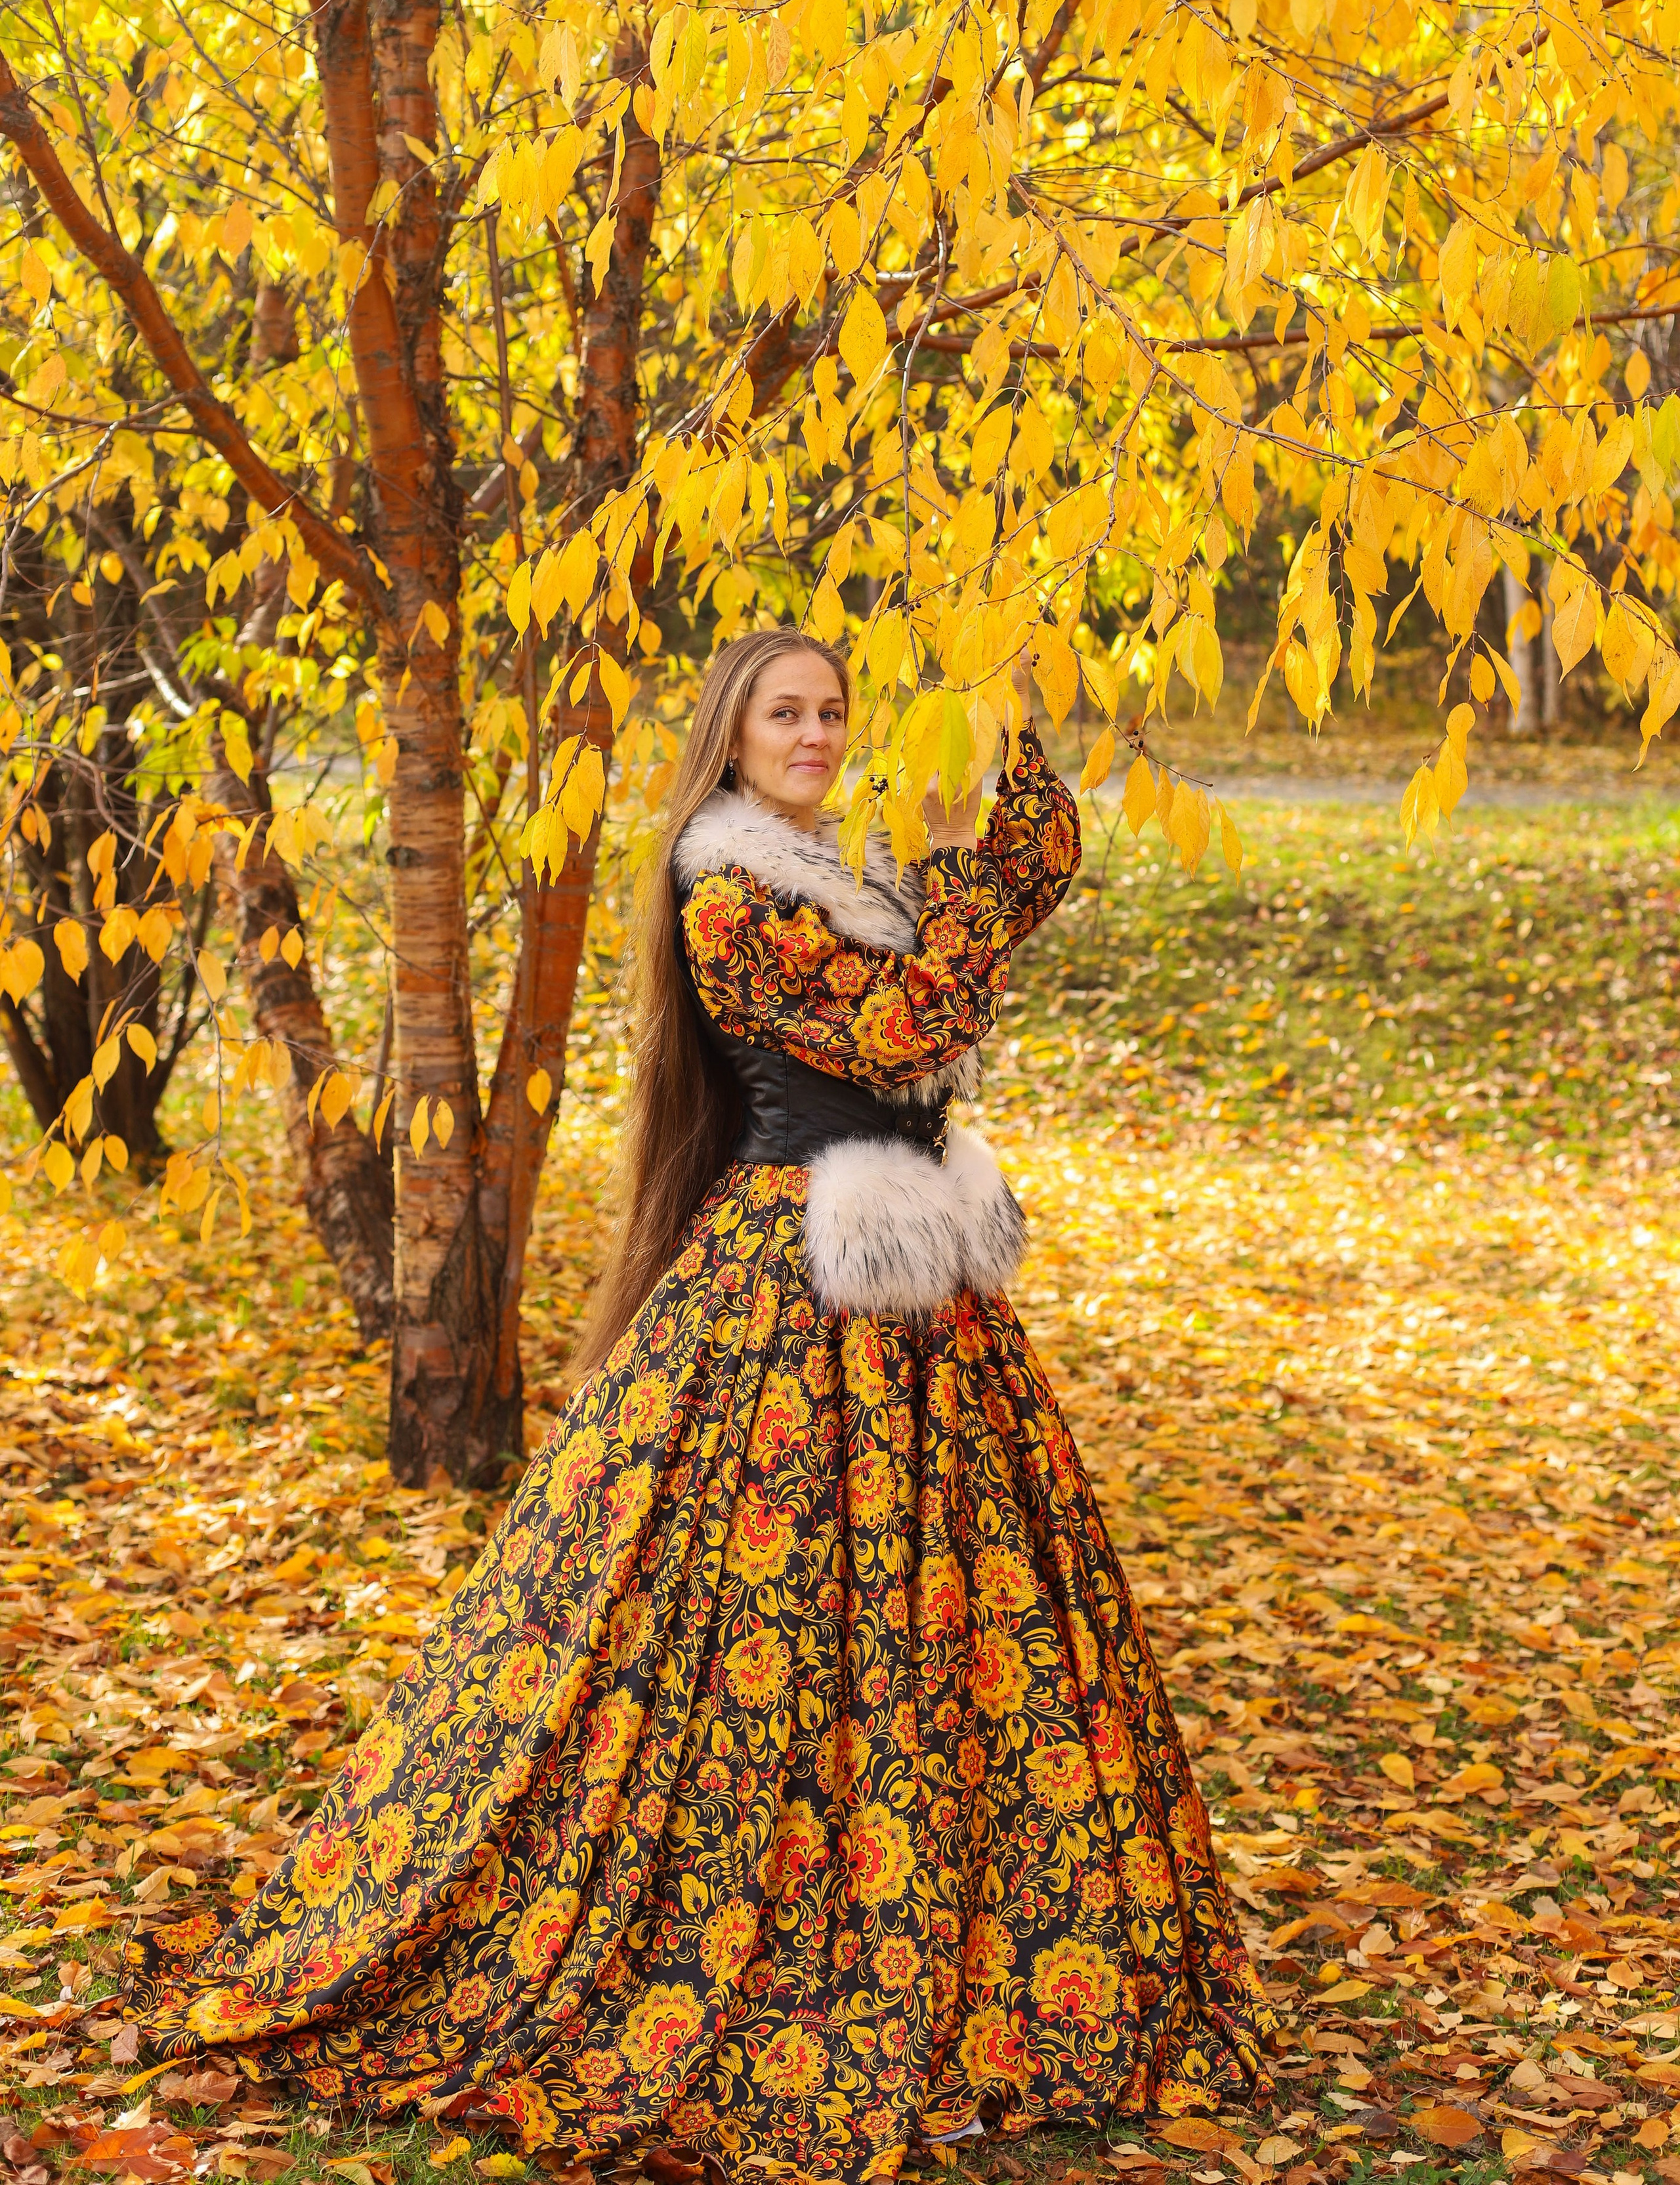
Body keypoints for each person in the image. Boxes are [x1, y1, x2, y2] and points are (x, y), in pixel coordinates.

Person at [131, 628, 1275, 2179]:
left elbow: (1033, 860)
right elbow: (907, 1032)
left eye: (832, 713)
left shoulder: (852, 876)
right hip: (788, 1295)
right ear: (731, 740)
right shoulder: (726, 890)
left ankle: (967, 1950)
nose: (813, 736)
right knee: (742, 1619)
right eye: (782, 714)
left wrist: (994, 741)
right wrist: (947, 884)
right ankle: (735, 1923)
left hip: (918, 1289)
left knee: (954, 1620)